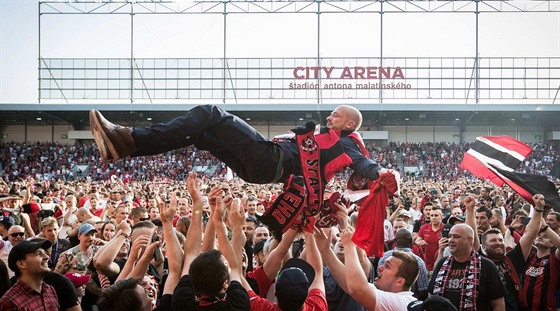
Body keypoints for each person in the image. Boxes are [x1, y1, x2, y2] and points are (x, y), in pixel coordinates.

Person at [89, 105, 387, 185]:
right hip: (260, 171)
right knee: (201, 135)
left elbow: (362, 162)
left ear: (350, 124)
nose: (330, 116)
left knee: (211, 114)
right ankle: (127, 145)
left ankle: (129, 138)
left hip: (271, 160)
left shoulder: (347, 141)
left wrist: (381, 174)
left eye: (337, 114)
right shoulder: (324, 137)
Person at [429, 223, 506, 310]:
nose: (451, 240)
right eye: (450, 236)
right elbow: (431, 296)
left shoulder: (487, 266)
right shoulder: (442, 263)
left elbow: (498, 304)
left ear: (470, 240)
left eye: (456, 237)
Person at [340, 226, 419, 310]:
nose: (380, 267)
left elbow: (357, 289)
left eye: (387, 267)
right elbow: (349, 282)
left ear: (399, 282)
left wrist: (349, 246)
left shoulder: (400, 302)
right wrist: (326, 250)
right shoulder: (388, 292)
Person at [0, 240, 59, 310]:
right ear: (21, 264)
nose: (47, 257)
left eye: (45, 252)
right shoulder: (10, 301)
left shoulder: (50, 290)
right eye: (38, 254)